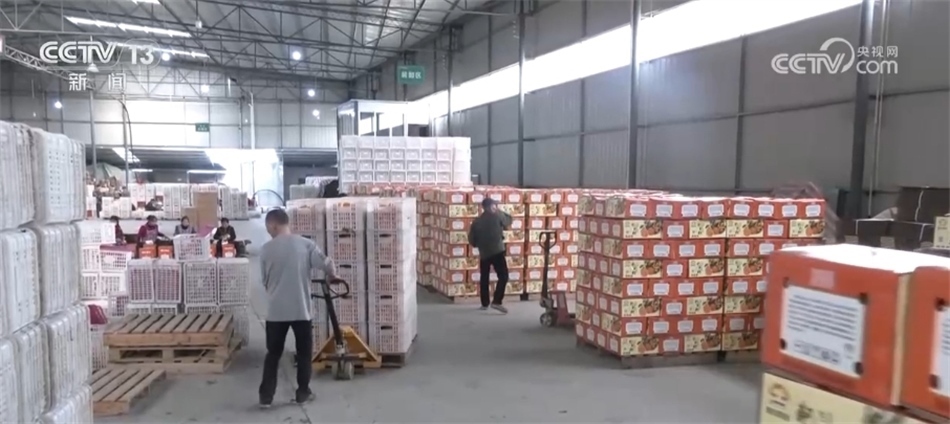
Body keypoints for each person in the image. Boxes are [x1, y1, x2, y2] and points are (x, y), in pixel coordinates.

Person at [258, 208, 338, 408]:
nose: (268, 231)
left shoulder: (266, 249)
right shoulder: (306, 245)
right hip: (301, 310)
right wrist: (332, 275)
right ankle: (303, 392)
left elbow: (264, 281)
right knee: (303, 353)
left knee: (273, 354)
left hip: (275, 312)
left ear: (273, 225)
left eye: (268, 227)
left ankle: (266, 397)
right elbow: (327, 263)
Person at [468, 198, 513, 314]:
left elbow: (471, 240)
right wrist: (499, 211)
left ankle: (485, 303)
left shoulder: (477, 221)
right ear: (491, 206)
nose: (495, 207)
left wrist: (480, 245)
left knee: (484, 277)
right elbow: (509, 220)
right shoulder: (497, 216)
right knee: (503, 276)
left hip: (484, 253)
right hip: (497, 251)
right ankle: (497, 301)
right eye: (494, 205)